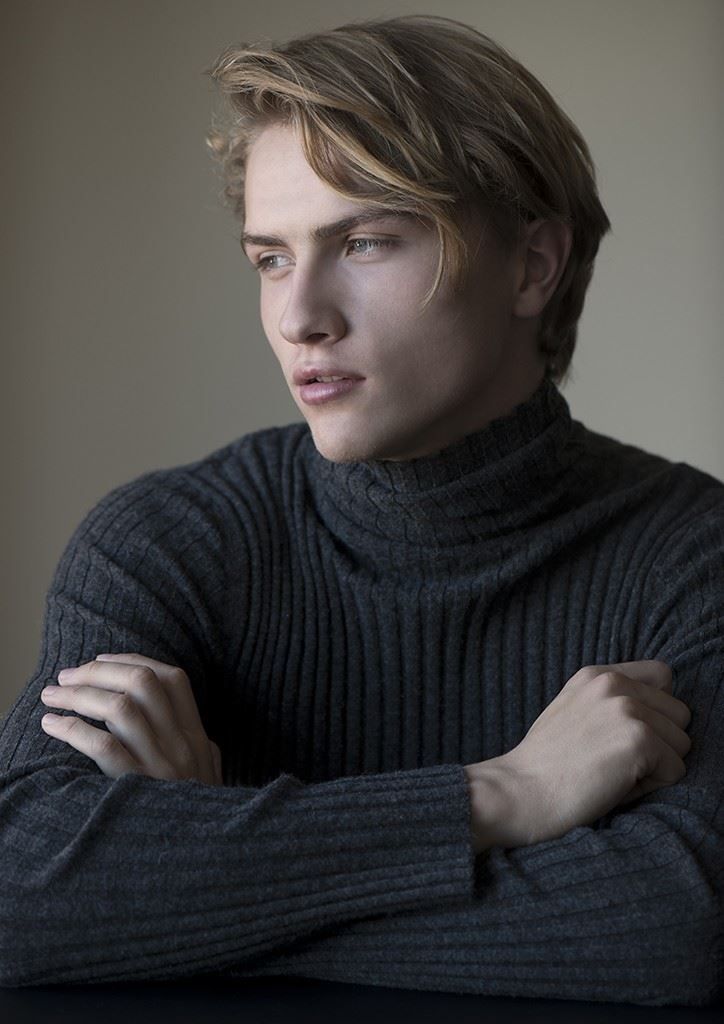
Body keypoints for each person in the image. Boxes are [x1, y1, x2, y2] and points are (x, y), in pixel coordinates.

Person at [0, 13, 722, 1006]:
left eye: (365, 240)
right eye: (271, 258)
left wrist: (204, 877)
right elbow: (24, 889)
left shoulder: (693, 552)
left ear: (531, 265)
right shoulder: (165, 544)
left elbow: (681, 924)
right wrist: (497, 794)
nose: (300, 317)